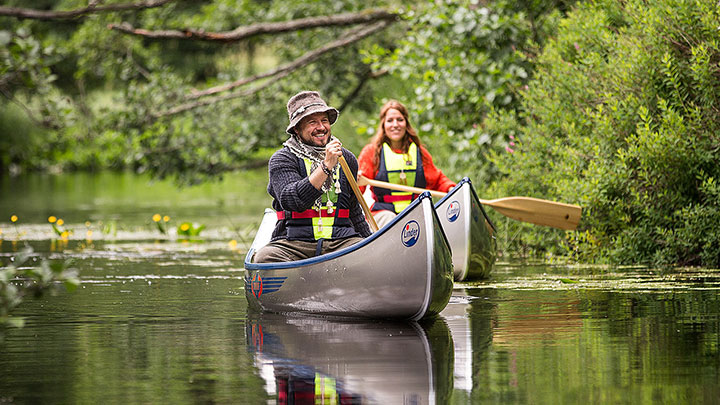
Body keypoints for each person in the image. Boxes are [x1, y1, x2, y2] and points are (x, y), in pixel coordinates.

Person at [253, 91, 372, 263]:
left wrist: (371, 242)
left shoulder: (347, 159)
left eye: (324, 120)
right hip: (293, 243)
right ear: (297, 129)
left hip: (341, 242)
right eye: (312, 122)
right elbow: (293, 201)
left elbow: (354, 210)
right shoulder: (282, 159)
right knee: (264, 258)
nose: (321, 127)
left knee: (367, 253)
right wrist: (326, 166)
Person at [357, 100, 456, 228]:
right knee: (390, 218)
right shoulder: (371, 152)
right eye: (390, 120)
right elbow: (356, 188)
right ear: (383, 125)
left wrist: (451, 189)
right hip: (383, 213)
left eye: (399, 120)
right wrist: (355, 179)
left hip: (415, 211)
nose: (395, 124)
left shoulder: (419, 153)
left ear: (406, 124)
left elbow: (437, 180)